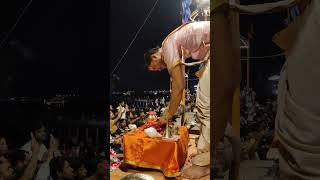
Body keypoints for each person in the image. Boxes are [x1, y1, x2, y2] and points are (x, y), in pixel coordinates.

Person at [144, 21, 210, 178]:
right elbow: (179, 84)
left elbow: (178, 87)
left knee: (204, 105)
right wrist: (171, 111)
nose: (158, 70)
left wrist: (166, 116)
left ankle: (204, 164)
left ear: (155, 56)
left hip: (218, 44)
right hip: (215, 46)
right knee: (204, 101)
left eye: (154, 67)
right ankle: (206, 155)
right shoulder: (172, 45)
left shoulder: (167, 47)